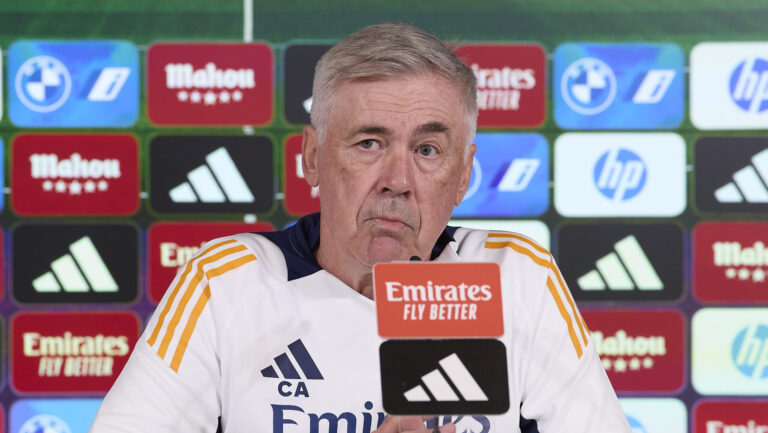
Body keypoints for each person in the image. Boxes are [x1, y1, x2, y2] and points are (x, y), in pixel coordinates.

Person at [90, 23, 630, 433]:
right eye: (369, 143)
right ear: (312, 157)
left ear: (464, 175)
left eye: (427, 150)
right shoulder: (225, 282)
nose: (397, 180)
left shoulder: (517, 276)